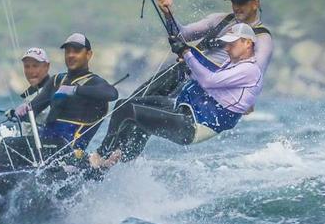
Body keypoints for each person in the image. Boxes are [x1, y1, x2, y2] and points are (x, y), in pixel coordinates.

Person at [93, 23, 263, 167]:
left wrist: (187, 54)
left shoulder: (250, 70)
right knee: (124, 104)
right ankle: (119, 155)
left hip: (193, 126)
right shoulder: (230, 63)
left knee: (128, 110)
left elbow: (211, 81)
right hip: (181, 110)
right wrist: (186, 57)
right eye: (226, 44)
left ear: (248, 43)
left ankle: (101, 156)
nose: (227, 47)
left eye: (232, 44)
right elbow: (201, 74)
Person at [0, 33, 118, 168]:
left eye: (76, 51)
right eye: (67, 51)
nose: (70, 55)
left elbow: (112, 93)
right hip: (44, 146)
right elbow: (34, 108)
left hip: (68, 150)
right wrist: (19, 112)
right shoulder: (57, 80)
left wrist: (75, 90)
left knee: (10, 144)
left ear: (88, 54)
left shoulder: (94, 81)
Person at [139, 0, 273, 98]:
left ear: (255, 4)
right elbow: (181, 35)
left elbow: (253, 76)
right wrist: (168, 14)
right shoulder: (220, 19)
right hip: (185, 74)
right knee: (140, 98)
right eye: (234, 2)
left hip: (211, 91)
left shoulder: (262, 39)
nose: (236, 7)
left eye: (241, 3)